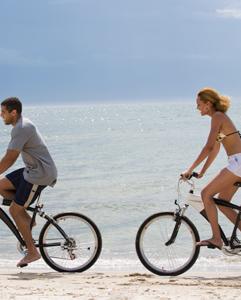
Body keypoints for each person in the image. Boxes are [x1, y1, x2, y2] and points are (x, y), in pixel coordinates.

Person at [0, 97, 57, 267]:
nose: (1, 116)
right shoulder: (21, 125)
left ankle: (32, 252)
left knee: (14, 210)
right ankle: (27, 221)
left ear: (14, 112)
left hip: (39, 174)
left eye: (3, 112)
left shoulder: (22, 128)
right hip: (31, 170)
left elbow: (10, 157)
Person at [182, 87, 241, 250]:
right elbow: (215, 148)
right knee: (222, 202)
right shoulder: (221, 119)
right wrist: (202, 172)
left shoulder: (217, 117)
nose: (197, 108)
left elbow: (208, 147)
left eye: (199, 104)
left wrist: (189, 169)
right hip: (237, 163)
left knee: (206, 194)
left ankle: (217, 239)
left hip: (238, 163)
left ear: (208, 104)